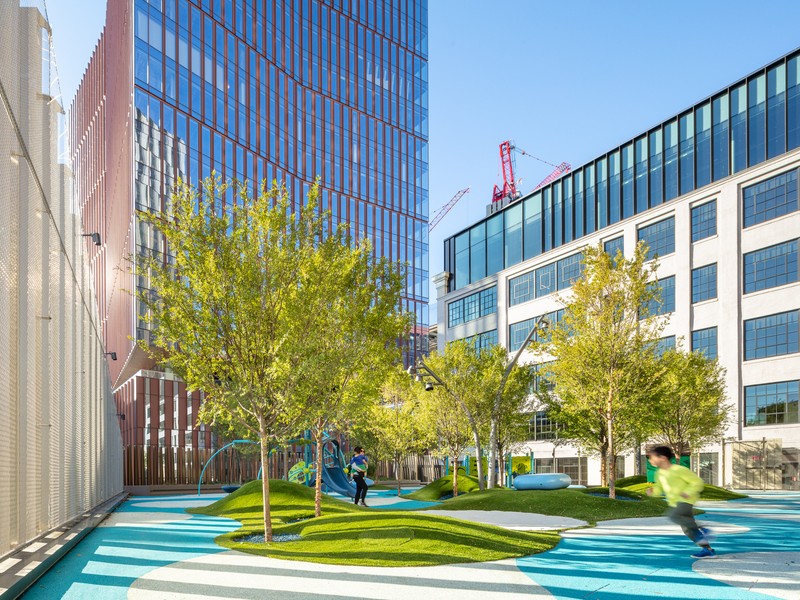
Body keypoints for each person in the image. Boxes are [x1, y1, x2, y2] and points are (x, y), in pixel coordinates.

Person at [646, 445, 716, 559]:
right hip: (675, 502)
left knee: (673, 515)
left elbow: (697, 482)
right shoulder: (659, 473)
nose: (650, 460)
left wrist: (688, 492)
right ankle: (707, 550)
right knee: (688, 530)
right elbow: (659, 488)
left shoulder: (679, 470)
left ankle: (704, 529)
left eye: (652, 457)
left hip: (686, 500)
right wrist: (653, 491)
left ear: (663, 458)